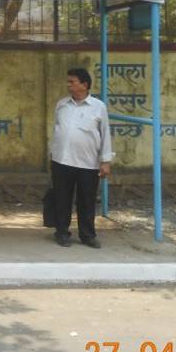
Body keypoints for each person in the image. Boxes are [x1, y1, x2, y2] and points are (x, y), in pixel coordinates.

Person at [50, 67, 112, 248]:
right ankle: (62, 233)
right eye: (68, 82)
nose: (68, 85)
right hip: (62, 160)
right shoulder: (62, 104)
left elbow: (105, 134)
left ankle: (87, 235)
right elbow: (56, 130)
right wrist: (52, 153)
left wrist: (106, 161)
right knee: (61, 198)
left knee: (87, 200)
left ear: (84, 85)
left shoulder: (99, 107)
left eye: (72, 82)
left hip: (88, 162)